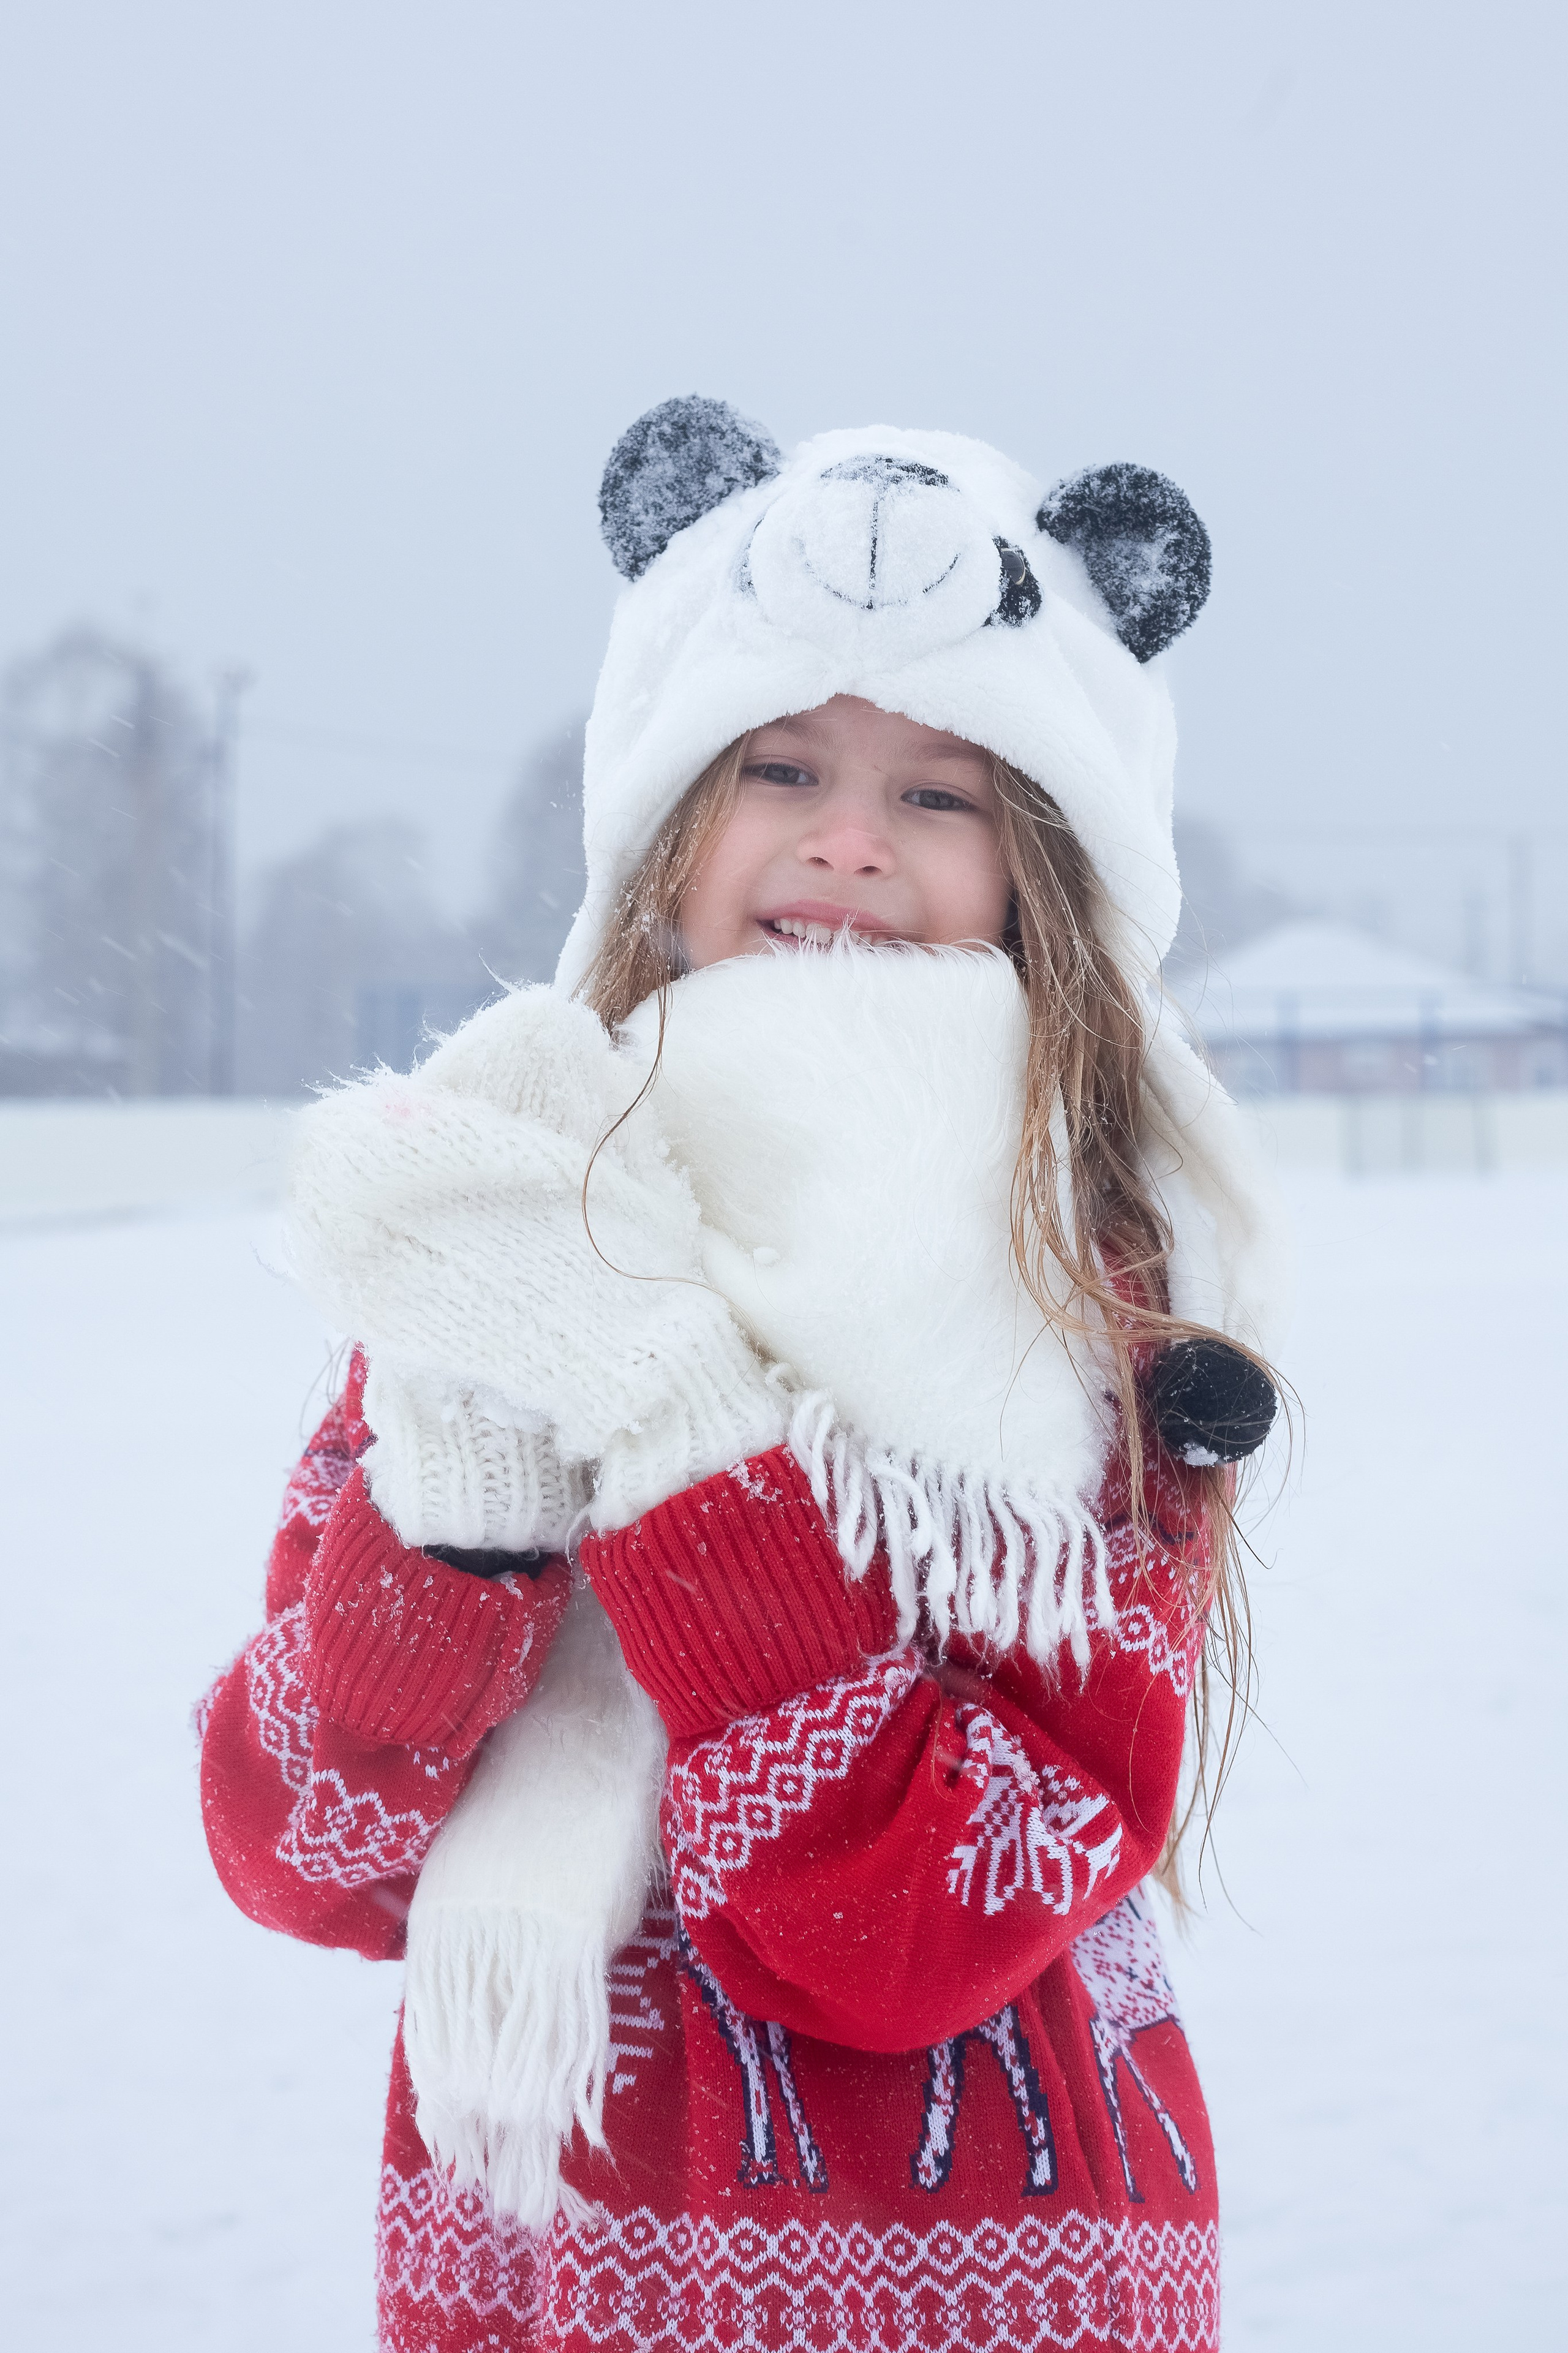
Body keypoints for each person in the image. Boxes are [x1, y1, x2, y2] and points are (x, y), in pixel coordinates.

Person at [200, 401, 1288, 2353]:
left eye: (942, 795)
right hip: (555, 2273)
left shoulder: (1103, 1317)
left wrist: (702, 1463)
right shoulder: (513, 1223)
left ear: (1053, 872)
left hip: (987, 2287)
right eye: (780, 761)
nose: (848, 837)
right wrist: (461, 1499)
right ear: (665, 827)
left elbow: (913, 1932)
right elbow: (307, 1843)